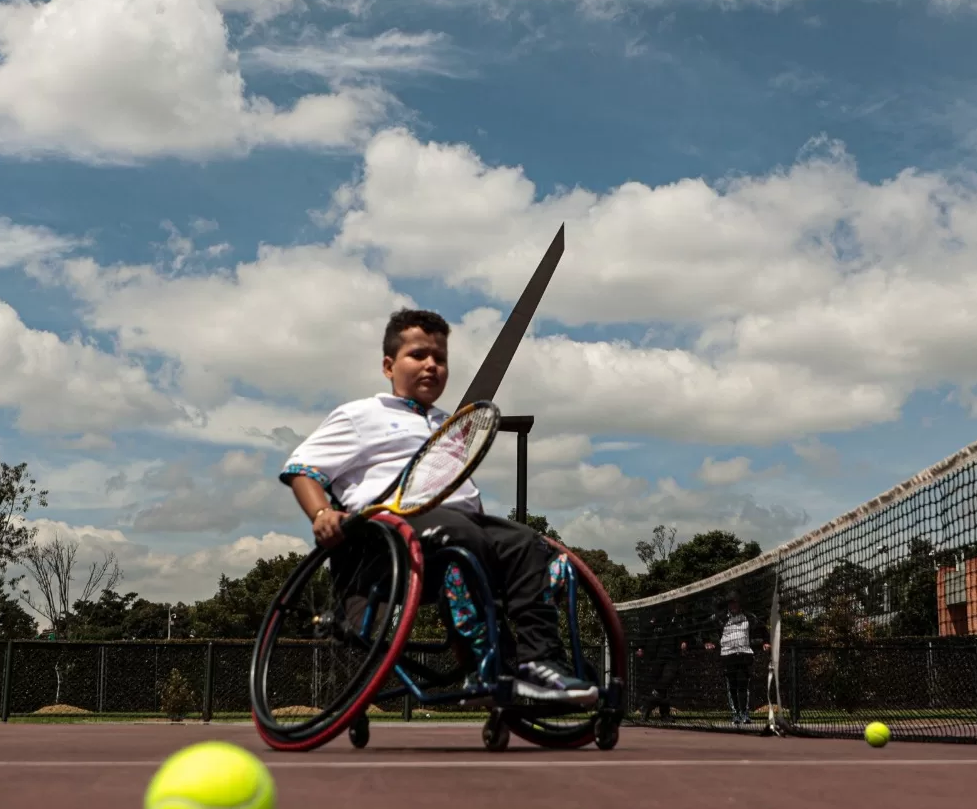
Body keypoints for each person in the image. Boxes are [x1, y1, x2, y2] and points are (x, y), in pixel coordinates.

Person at [278, 308, 597, 706]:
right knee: (461, 536)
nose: (432, 365)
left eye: (440, 359)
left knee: (525, 542)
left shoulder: (452, 427)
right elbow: (303, 468)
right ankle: (484, 664)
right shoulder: (359, 416)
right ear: (388, 365)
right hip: (385, 540)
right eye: (418, 355)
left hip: (456, 529)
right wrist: (322, 514)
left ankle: (540, 664)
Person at [705, 592, 769, 724]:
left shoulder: (749, 617)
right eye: (731, 603)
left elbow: (763, 628)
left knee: (743, 685)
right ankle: (735, 714)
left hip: (744, 654)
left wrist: (766, 641)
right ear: (728, 605)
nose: (733, 605)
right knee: (732, 685)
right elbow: (704, 627)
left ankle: (744, 713)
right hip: (728, 655)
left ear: (739, 604)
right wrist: (707, 641)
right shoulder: (719, 618)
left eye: (735, 602)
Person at [634, 611, 686, 721]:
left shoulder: (680, 617)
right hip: (657, 656)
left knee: (666, 682)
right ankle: (664, 713)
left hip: (672, 656)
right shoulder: (658, 615)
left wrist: (684, 642)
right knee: (661, 686)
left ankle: (648, 704)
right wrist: (640, 647)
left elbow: (685, 632)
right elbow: (645, 630)